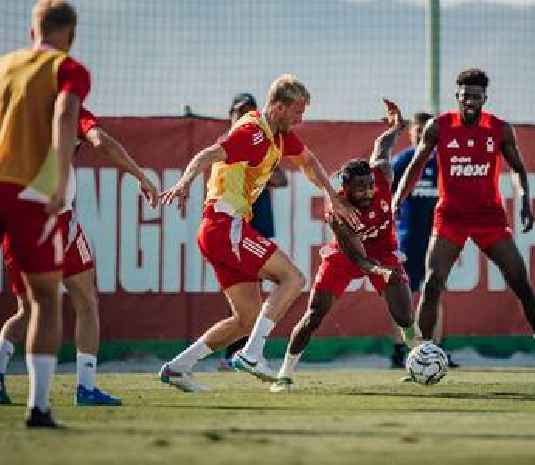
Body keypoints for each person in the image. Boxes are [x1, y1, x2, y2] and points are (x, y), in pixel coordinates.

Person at [159, 74, 359, 391]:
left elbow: (308, 162)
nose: (300, 119)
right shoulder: (253, 133)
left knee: (246, 320)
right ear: (278, 107)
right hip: (226, 225)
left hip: (220, 230)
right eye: (297, 111)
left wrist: (331, 197)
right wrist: (184, 183)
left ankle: (177, 367)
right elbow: (206, 155)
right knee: (293, 279)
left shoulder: (280, 136)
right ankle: (252, 354)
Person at [392, 68, 535, 379]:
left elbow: (517, 169)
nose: (470, 102)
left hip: (489, 218)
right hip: (450, 216)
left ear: (484, 98)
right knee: (432, 282)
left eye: (476, 97)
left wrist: (525, 199)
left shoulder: (500, 129)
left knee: (521, 282)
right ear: (457, 97)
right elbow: (416, 164)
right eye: (465, 97)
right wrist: (398, 198)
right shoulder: (439, 127)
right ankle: (419, 360)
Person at [0, 107, 159, 407]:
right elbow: (102, 142)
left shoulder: (16, 114)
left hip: (20, 221)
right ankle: (83, 388)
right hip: (56, 223)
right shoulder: (66, 105)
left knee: (32, 310)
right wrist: (141, 176)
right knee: (83, 302)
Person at [270, 99, 416, 392]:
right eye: (358, 189)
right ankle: (284, 374)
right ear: (344, 190)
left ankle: (417, 364)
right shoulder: (338, 210)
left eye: (368, 186)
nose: (366, 192)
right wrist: (378, 271)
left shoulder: (383, 175)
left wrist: (397, 128)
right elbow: (357, 258)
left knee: (404, 316)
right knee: (314, 314)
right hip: (346, 256)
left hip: (383, 251)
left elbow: (381, 146)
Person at [0, 0, 89, 427]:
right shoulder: (68, 69)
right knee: (45, 301)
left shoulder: (4, 66)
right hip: (27, 192)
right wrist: (55, 180)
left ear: (30, 30)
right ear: (69, 34)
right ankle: (38, 407)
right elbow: (66, 112)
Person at [216, 93, 288, 369]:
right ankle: (238, 353)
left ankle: (249, 351)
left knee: (257, 291)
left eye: (249, 111)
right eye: (239, 111)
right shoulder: (230, 145)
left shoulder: (262, 143)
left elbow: (281, 179)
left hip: (257, 225)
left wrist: (258, 169)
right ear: (230, 116)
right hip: (231, 225)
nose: (244, 115)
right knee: (242, 294)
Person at [389, 112, 458, 369]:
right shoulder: (403, 161)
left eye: (425, 130)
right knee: (402, 295)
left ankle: (436, 347)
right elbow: (386, 195)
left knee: (435, 292)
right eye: (417, 130)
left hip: (438, 239)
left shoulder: (444, 163)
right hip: (406, 240)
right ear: (410, 132)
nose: (420, 134)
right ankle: (400, 349)